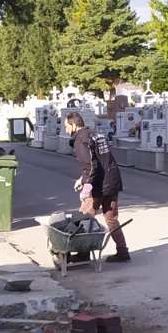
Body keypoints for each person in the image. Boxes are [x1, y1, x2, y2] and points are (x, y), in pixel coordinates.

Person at [65, 111, 129, 262]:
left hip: (98, 184)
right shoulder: (95, 134)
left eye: (66, 126)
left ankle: (83, 254)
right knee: (111, 219)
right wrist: (81, 179)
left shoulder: (80, 139)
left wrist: (86, 189)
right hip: (112, 180)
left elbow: (90, 167)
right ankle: (122, 251)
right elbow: (100, 161)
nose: (66, 130)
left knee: (84, 218)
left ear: (74, 125)